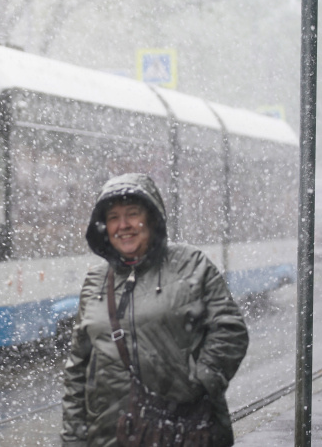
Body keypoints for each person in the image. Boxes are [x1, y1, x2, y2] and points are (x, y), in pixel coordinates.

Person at [61, 173, 249, 446]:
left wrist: (199, 382)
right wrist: (73, 437)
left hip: (183, 431)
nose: (123, 225)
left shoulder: (190, 264)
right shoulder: (96, 281)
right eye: (113, 217)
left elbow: (230, 329)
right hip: (110, 435)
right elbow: (78, 368)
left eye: (133, 214)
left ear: (151, 218)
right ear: (104, 227)